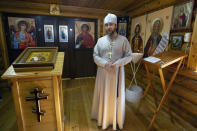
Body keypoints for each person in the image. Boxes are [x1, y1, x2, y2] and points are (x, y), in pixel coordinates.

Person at [91, 13, 132, 130]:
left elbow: (129, 56)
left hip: (117, 74)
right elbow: (95, 55)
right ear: (105, 26)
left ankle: (116, 120)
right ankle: (103, 119)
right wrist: (104, 63)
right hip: (103, 73)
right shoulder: (100, 41)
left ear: (115, 25)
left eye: (111, 24)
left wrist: (118, 63)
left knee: (116, 96)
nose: (109, 27)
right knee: (103, 94)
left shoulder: (123, 40)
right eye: (107, 25)